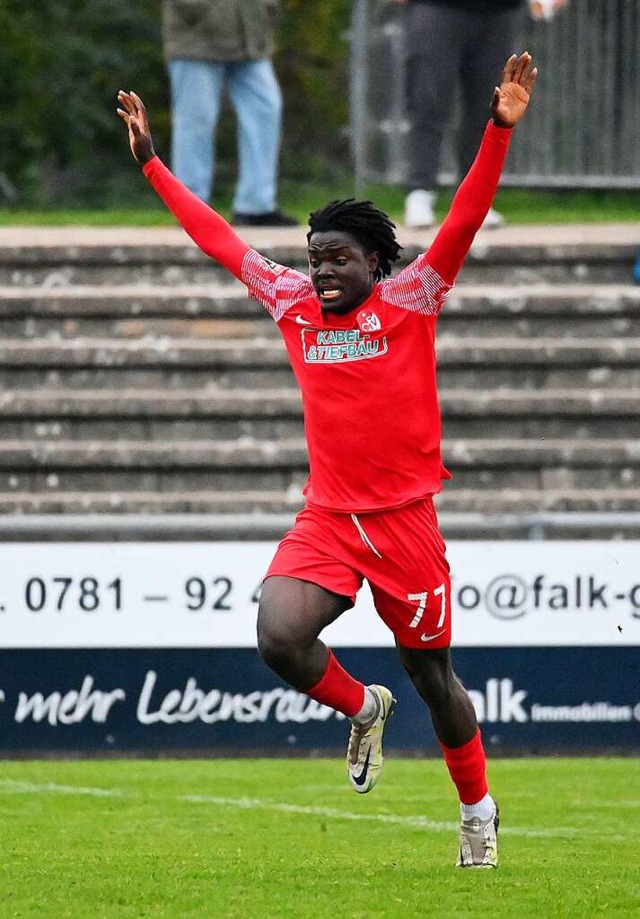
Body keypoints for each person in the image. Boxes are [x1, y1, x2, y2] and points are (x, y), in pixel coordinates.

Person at [117, 50, 537, 868]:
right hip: (331, 519)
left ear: (373, 261)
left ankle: (477, 808)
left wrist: (496, 130)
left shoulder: (413, 298)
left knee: (435, 679)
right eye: (314, 257)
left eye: (336, 257)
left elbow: (465, 219)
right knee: (279, 635)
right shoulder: (292, 305)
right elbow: (218, 239)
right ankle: (359, 705)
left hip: (406, 521)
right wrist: (154, 167)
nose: (320, 269)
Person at [390, 0, 564, 229]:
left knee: (490, 109)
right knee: (427, 100)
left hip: (500, 11)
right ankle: (420, 192)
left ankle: (475, 202)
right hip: (434, 8)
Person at [162, 0, 296, 226]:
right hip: (195, 41)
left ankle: (256, 205)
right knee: (196, 122)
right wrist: (203, 11)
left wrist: (267, 8)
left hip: (250, 40)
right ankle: (191, 208)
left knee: (265, 110)